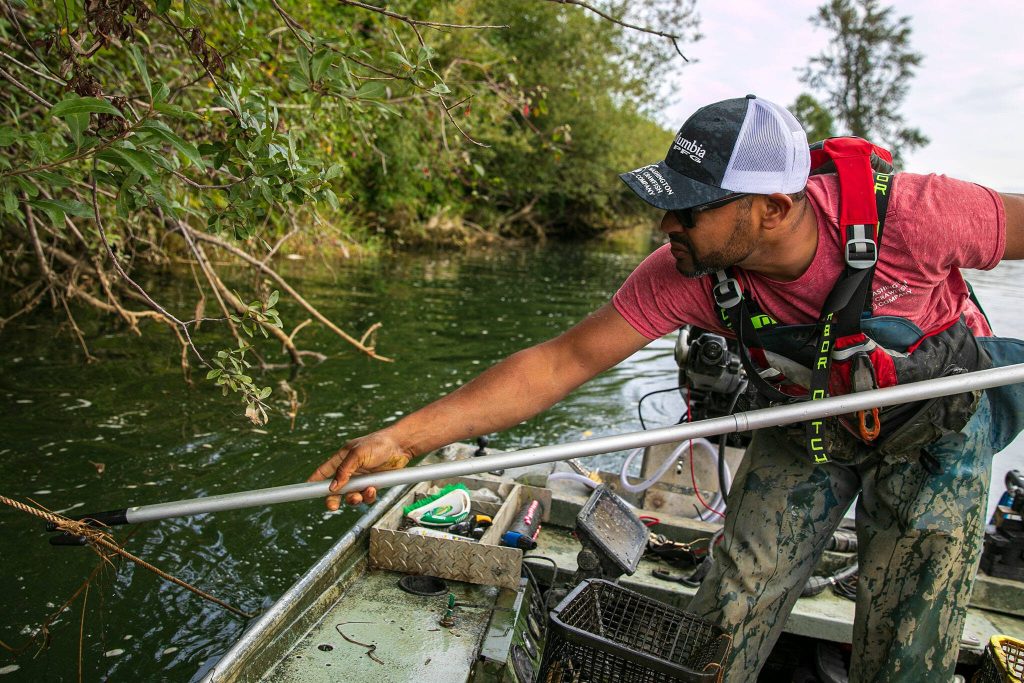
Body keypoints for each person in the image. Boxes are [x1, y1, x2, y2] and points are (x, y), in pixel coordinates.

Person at [310, 95, 1024, 682]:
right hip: (806, 421)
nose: (665, 224)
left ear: (771, 208)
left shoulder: (920, 215)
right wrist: (401, 438)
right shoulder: (689, 272)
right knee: (730, 604)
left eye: (688, 209)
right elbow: (559, 363)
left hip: (936, 431)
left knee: (906, 648)